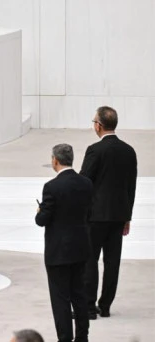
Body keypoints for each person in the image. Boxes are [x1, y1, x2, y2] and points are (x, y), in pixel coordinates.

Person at [80, 106, 138, 318]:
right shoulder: (129, 151)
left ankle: (89, 306)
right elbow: (131, 186)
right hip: (118, 215)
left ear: (99, 125)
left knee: (90, 261)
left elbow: (84, 181)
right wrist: (127, 217)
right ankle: (105, 306)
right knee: (112, 262)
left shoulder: (95, 150)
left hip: (95, 216)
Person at [36, 144, 91, 342]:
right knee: (79, 295)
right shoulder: (86, 183)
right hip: (80, 247)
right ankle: (82, 336)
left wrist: (40, 211)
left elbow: (42, 220)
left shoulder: (51, 187)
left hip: (58, 251)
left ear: (55, 160)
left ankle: (65, 338)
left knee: (60, 299)